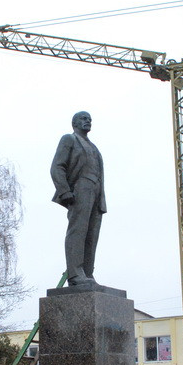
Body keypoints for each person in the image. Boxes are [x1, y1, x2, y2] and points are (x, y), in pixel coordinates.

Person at [50, 111, 106, 286]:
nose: (88, 121)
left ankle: (87, 273)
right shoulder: (69, 139)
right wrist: (64, 191)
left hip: (96, 192)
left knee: (92, 234)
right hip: (80, 188)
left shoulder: (94, 147)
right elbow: (57, 166)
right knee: (78, 231)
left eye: (90, 119)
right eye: (83, 119)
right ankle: (75, 274)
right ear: (74, 123)